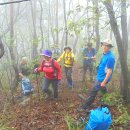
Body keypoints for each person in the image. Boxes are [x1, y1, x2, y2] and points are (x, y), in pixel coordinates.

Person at [78, 39, 115, 111]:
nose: (105, 47)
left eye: (107, 46)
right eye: (104, 45)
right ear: (102, 45)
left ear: (110, 47)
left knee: (93, 92)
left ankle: (85, 106)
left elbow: (110, 71)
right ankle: (106, 103)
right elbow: (104, 66)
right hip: (100, 77)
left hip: (102, 79)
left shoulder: (110, 57)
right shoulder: (105, 54)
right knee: (103, 91)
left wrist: (104, 82)